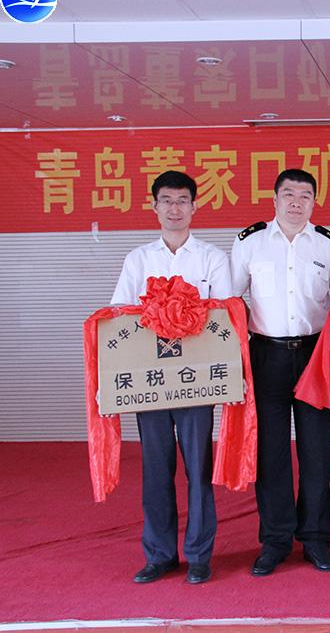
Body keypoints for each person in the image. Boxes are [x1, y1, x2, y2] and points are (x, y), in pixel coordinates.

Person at [110, 170, 232, 585]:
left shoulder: (212, 258)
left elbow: (226, 317)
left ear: (195, 206)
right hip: (150, 384)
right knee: (156, 470)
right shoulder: (138, 260)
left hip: (197, 382)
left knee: (198, 469)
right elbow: (119, 317)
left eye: (182, 200)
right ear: (154, 206)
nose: (175, 208)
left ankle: (198, 554)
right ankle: (160, 554)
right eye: (167, 200)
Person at [230, 168, 330, 576]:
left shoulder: (328, 246)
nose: (296, 202)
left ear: (314, 201)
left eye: (305, 196)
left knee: (317, 451)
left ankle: (315, 537)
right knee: (271, 452)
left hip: (315, 355)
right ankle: (275, 540)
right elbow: (231, 302)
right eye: (289, 195)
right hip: (266, 355)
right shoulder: (249, 243)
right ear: (275, 199)